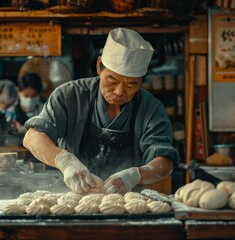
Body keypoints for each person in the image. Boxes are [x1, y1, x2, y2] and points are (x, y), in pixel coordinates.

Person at [23, 28, 180, 194]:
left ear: (141, 81)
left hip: (124, 202)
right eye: (112, 80)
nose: (119, 92)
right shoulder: (71, 96)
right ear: (99, 66)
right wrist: (65, 161)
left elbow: (165, 161)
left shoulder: (151, 108)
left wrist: (135, 175)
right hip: (70, 196)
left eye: (131, 85)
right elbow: (32, 137)